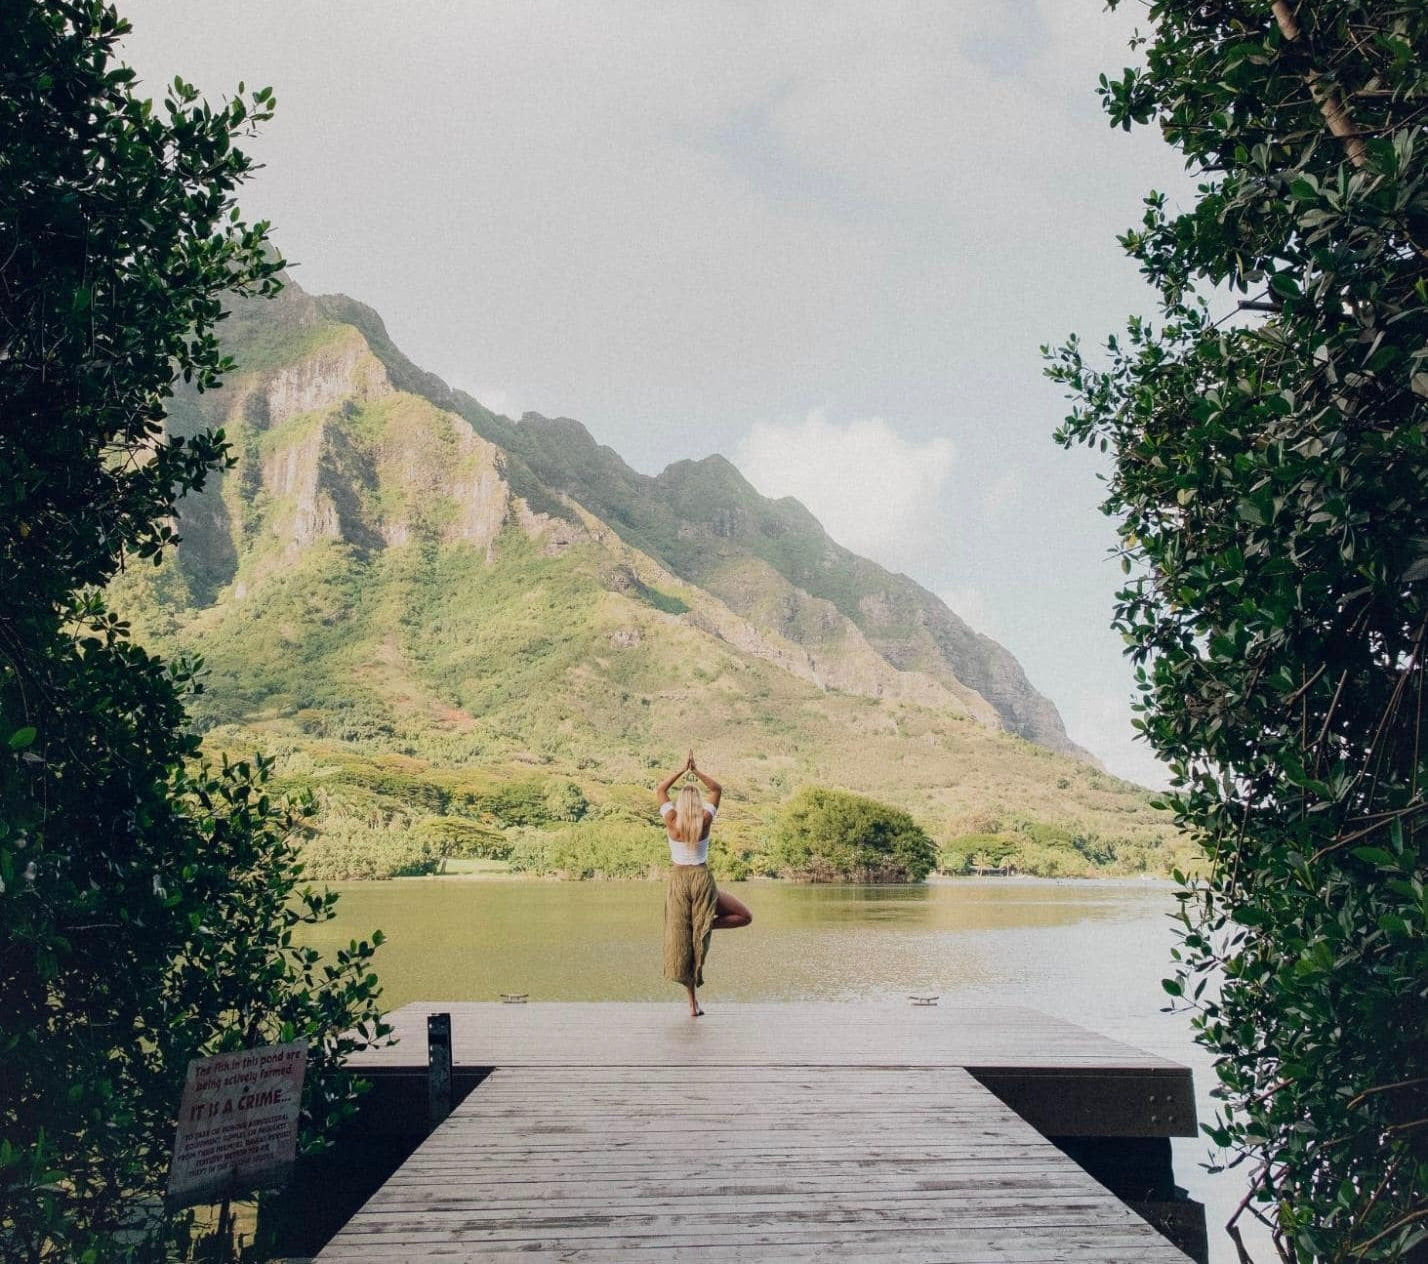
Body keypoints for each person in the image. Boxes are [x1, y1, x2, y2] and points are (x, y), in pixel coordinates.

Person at [657, 750, 752, 1015]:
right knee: (744, 916)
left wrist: (680, 770)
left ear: (679, 803)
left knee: (683, 942)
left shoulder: (671, 820)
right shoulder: (705, 820)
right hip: (700, 878)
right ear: (697, 802)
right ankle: (705, 925)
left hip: (678, 881)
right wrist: (695, 771)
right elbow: (717, 788)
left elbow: (661, 789)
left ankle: (692, 1004)